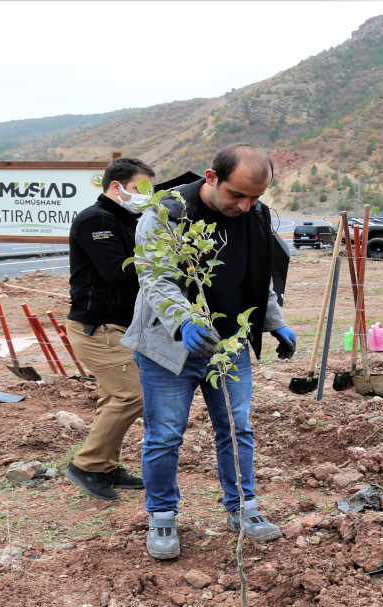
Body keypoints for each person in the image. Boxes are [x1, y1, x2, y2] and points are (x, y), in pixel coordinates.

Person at [122, 144, 297, 560]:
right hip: (168, 346)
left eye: (255, 197)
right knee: (164, 435)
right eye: (238, 195)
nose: (245, 205)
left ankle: (244, 509)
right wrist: (184, 321)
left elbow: (260, 278)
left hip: (229, 344)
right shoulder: (167, 212)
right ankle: (162, 515)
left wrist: (273, 322)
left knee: (237, 428)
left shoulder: (256, 215)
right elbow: (155, 278)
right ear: (212, 177)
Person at [64, 157, 155, 501]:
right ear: (116, 187)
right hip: (99, 328)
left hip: (119, 327)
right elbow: (117, 271)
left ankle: (105, 467)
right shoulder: (96, 219)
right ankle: (86, 465)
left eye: (149, 190)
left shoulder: (125, 219)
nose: (145, 196)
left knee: (111, 398)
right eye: (138, 189)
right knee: (133, 394)